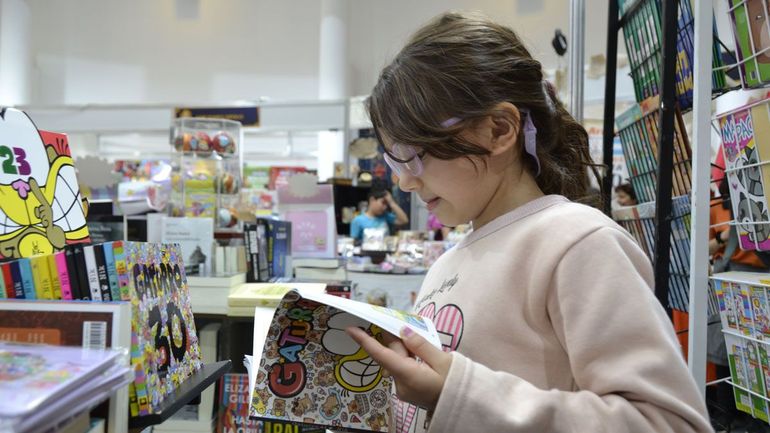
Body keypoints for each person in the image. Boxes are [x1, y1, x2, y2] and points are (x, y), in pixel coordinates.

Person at [345, 11, 712, 433]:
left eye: (413, 153)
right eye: (394, 160)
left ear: (498, 130)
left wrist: (457, 394)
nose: (405, 180)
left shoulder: (577, 242)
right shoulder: (448, 264)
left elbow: (667, 422)